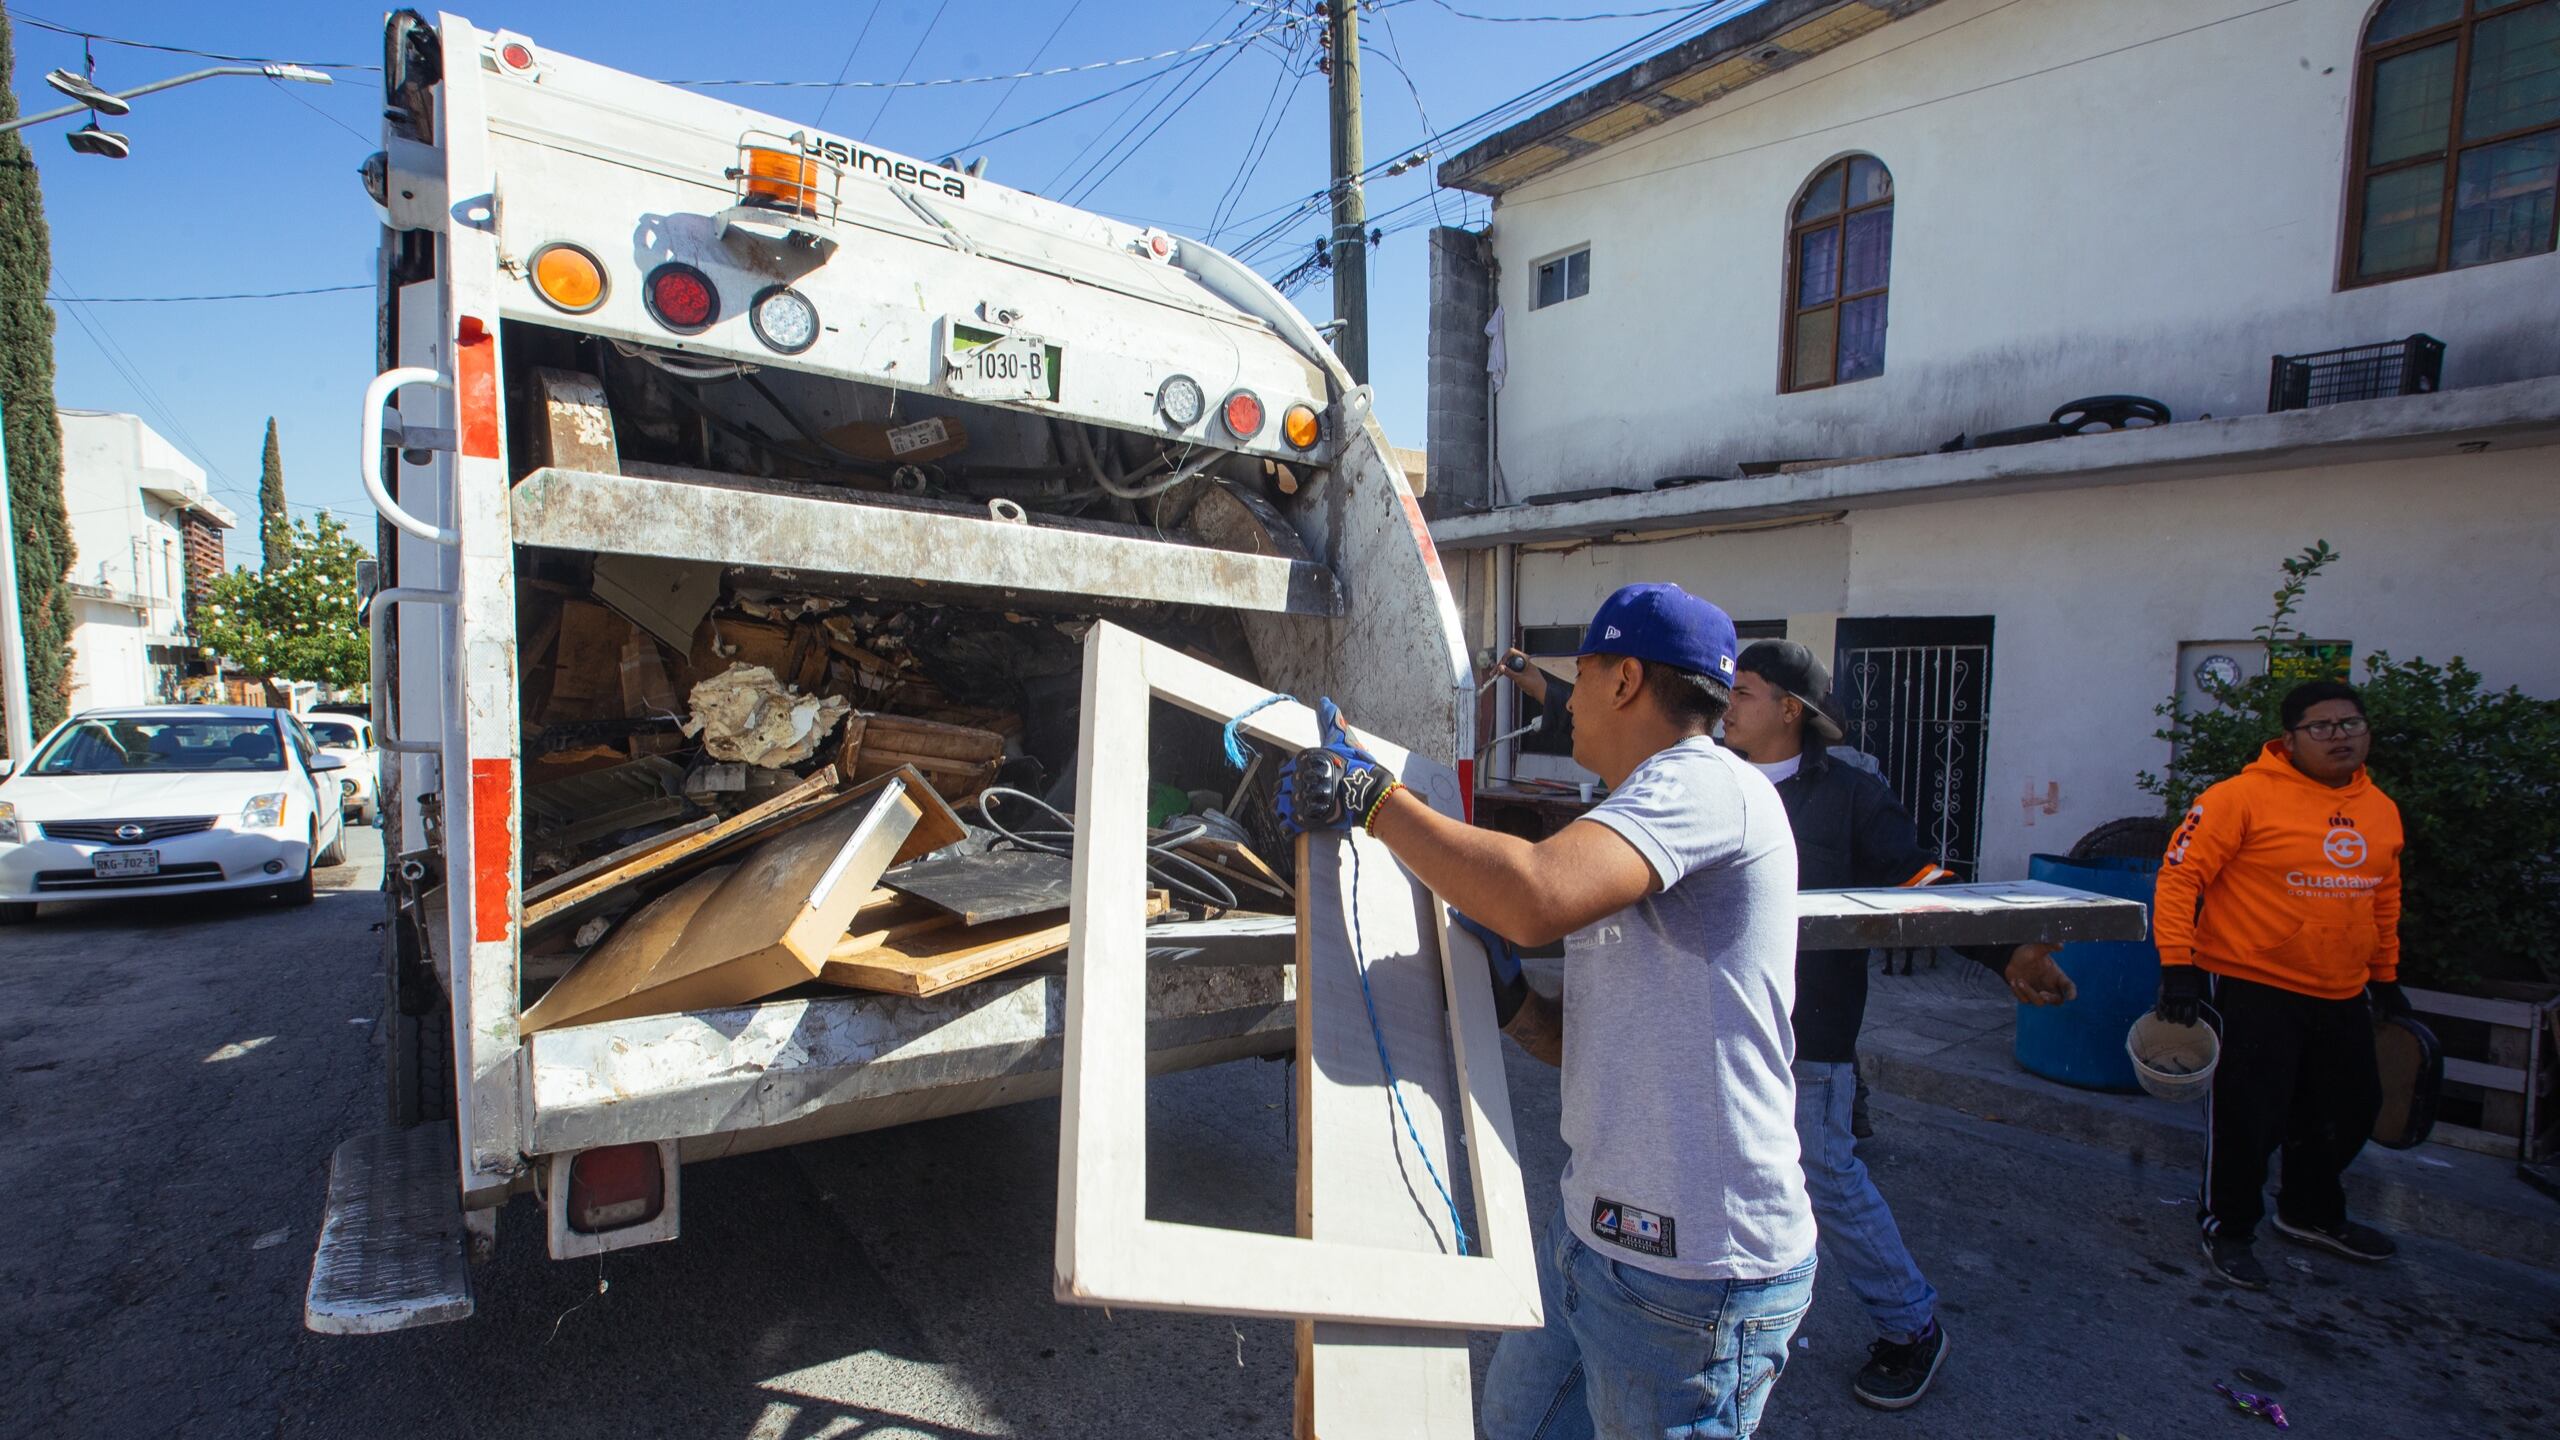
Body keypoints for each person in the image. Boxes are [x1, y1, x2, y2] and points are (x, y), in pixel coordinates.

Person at [1282, 583, 1815, 1440]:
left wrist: (1376, 802)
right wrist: (1514, 1002)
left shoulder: (1704, 786)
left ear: (1625, 680)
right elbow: (1593, 1047)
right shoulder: (1640, 813)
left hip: (1692, 1273)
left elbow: (1530, 894)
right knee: (1515, 1423)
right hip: (1600, 1241)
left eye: (1582, 670)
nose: (1566, 702)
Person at [1500, 638, 2078, 1410]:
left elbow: (1918, 883)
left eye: (1744, 693)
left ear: (1791, 710)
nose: (1725, 704)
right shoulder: (1677, 782)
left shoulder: (1842, 795)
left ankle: (1910, 1324)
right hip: (1707, 1034)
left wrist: (2006, 949)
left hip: (1804, 1031)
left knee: (1827, 1176)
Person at [2153, 678, 2407, 1291]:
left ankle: (2309, 1212)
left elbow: (2384, 896)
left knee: (2349, 1108)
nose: (2339, 737)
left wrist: (2386, 976)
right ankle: (2228, 1226)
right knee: (2247, 1117)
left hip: (2341, 987)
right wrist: (2177, 965)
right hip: (2250, 982)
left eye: (2351, 724)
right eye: (2321, 727)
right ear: (2289, 740)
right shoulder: (2237, 798)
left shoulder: (2381, 809)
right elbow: (2178, 880)